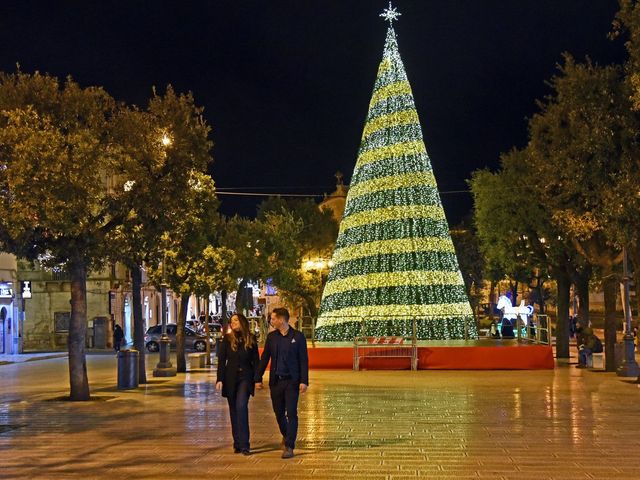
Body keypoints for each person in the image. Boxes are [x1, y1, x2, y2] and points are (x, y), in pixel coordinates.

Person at [256, 307, 309, 459]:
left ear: (281, 319)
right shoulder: (272, 337)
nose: (271, 321)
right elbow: (265, 358)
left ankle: (289, 446)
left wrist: (304, 381)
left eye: (273, 319)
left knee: (291, 413)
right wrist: (257, 378)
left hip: (292, 382)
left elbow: (303, 360)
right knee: (279, 413)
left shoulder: (298, 337)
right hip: (276, 382)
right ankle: (287, 434)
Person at [216, 313, 260, 455]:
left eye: (236, 320)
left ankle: (245, 444)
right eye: (231, 320)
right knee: (233, 410)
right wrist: (219, 379)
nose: (233, 322)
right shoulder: (227, 339)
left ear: (242, 322)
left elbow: (256, 361)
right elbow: (222, 361)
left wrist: (257, 379)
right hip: (230, 378)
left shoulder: (251, 338)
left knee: (241, 406)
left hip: (245, 378)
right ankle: (237, 443)